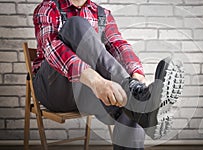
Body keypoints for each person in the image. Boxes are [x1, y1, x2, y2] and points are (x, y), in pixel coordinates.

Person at [32, 0, 184, 149]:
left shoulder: (102, 14)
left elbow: (119, 45)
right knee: (75, 25)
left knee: (130, 106)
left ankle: (137, 99)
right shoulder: (48, 8)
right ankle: (138, 97)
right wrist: (96, 80)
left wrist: (136, 73)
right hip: (53, 88)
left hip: (85, 91)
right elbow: (51, 49)